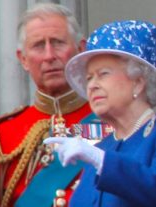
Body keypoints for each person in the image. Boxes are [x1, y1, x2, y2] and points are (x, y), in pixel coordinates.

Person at [0, 3, 109, 207]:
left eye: (58, 42)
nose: (49, 55)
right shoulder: (1, 136)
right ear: (23, 59)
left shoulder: (112, 121)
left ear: (80, 49)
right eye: (38, 45)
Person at [44, 20, 156, 206]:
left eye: (103, 74)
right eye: (89, 78)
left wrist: (103, 162)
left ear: (138, 81)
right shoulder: (103, 148)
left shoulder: (101, 155)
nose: (92, 85)